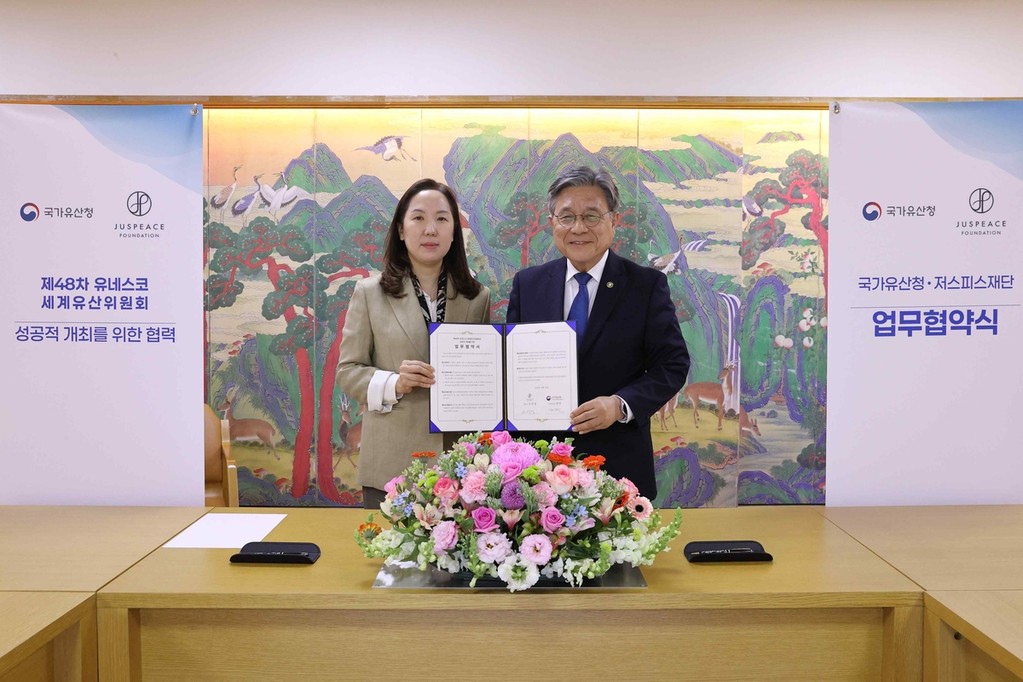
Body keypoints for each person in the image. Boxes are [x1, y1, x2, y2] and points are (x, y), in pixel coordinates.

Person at [507, 165, 690, 499]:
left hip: (618, 467)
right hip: (541, 471)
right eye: (567, 217)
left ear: (613, 221)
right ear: (552, 223)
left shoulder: (645, 286)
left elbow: (672, 365)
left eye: (591, 216)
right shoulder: (528, 285)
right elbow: (512, 370)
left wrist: (620, 405)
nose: (579, 228)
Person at [338, 179, 491, 508]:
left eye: (442, 219)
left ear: (454, 232)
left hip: (459, 468)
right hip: (392, 465)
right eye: (419, 218)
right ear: (402, 230)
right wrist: (395, 382)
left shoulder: (477, 297)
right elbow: (348, 372)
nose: (431, 229)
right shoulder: (369, 293)